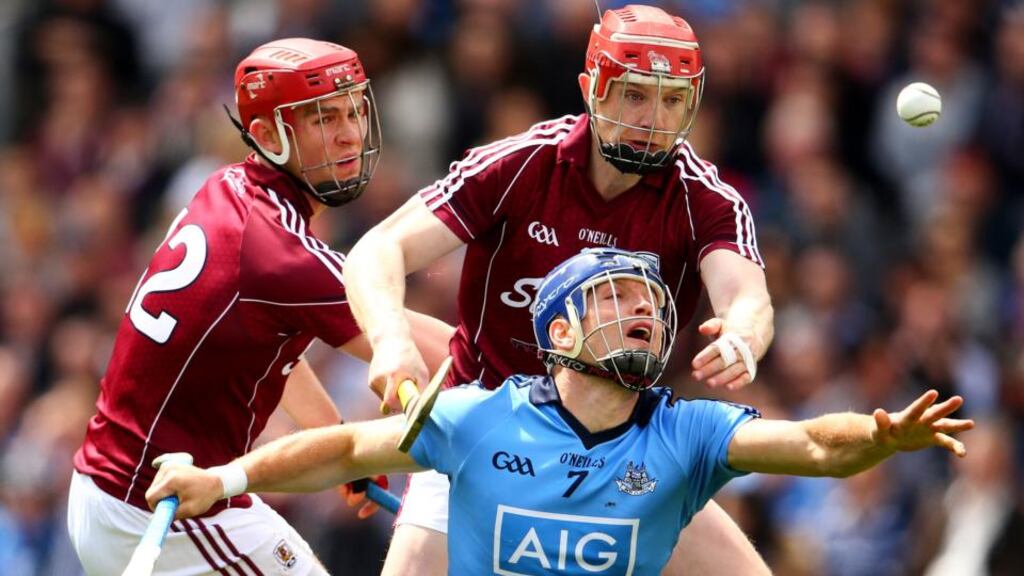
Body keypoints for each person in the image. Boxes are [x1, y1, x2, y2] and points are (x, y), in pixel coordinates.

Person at [148, 248, 974, 575]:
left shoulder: (686, 432)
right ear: (560, 330)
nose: (642, 314)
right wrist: (223, 477)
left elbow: (814, 447)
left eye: (648, 303)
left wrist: (877, 436)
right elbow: (340, 447)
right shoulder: (479, 418)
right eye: (614, 300)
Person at [341, 5, 773, 574]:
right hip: (483, 434)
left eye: (673, 101)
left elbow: (748, 294)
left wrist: (743, 333)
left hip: (627, 446)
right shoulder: (522, 165)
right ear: (590, 88)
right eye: (636, 95)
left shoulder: (705, 199)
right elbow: (379, 249)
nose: (654, 119)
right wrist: (392, 340)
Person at [66, 38, 453, 576]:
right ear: (269, 137)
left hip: (115, 489)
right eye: (321, 119)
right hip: (156, 508)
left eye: (353, 111)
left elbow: (268, 346)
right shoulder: (282, 257)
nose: (348, 133)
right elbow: (457, 358)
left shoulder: (226, 187)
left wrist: (334, 447)